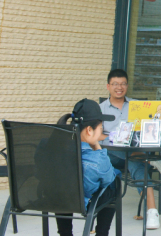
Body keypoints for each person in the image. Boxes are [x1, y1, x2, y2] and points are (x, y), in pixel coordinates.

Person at [99, 69, 160, 230]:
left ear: (127, 86)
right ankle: (147, 160)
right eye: (115, 84)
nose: (119, 87)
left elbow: (148, 129)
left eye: (123, 84)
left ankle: (152, 212)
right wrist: (116, 138)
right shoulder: (100, 109)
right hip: (111, 155)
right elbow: (97, 136)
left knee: (136, 164)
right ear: (108, 86)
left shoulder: (137, 106)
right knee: (131, 155)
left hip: (133, 152)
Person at [55, 99, 120, 236]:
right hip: (84, 202)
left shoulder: (48, 146)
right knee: (114, 183)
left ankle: (65, 233)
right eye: (101, 128)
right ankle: (102, 233)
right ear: (89, 130)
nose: (101, 133)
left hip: (54, 200)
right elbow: (108, 179)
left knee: (62, 188)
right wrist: (97, 146)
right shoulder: (97, 158)